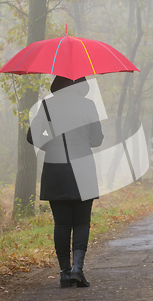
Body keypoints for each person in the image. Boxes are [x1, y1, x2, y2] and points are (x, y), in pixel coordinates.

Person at [27, 76, 104, 288]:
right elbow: (97, 139)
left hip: (55, 169)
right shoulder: (88, 105)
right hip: (83, 168)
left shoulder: (47, 105)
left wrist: (52, 147)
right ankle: (78, 270)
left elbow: (32, 136)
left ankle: (64, 273)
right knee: (81, 221)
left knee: (61, 223)